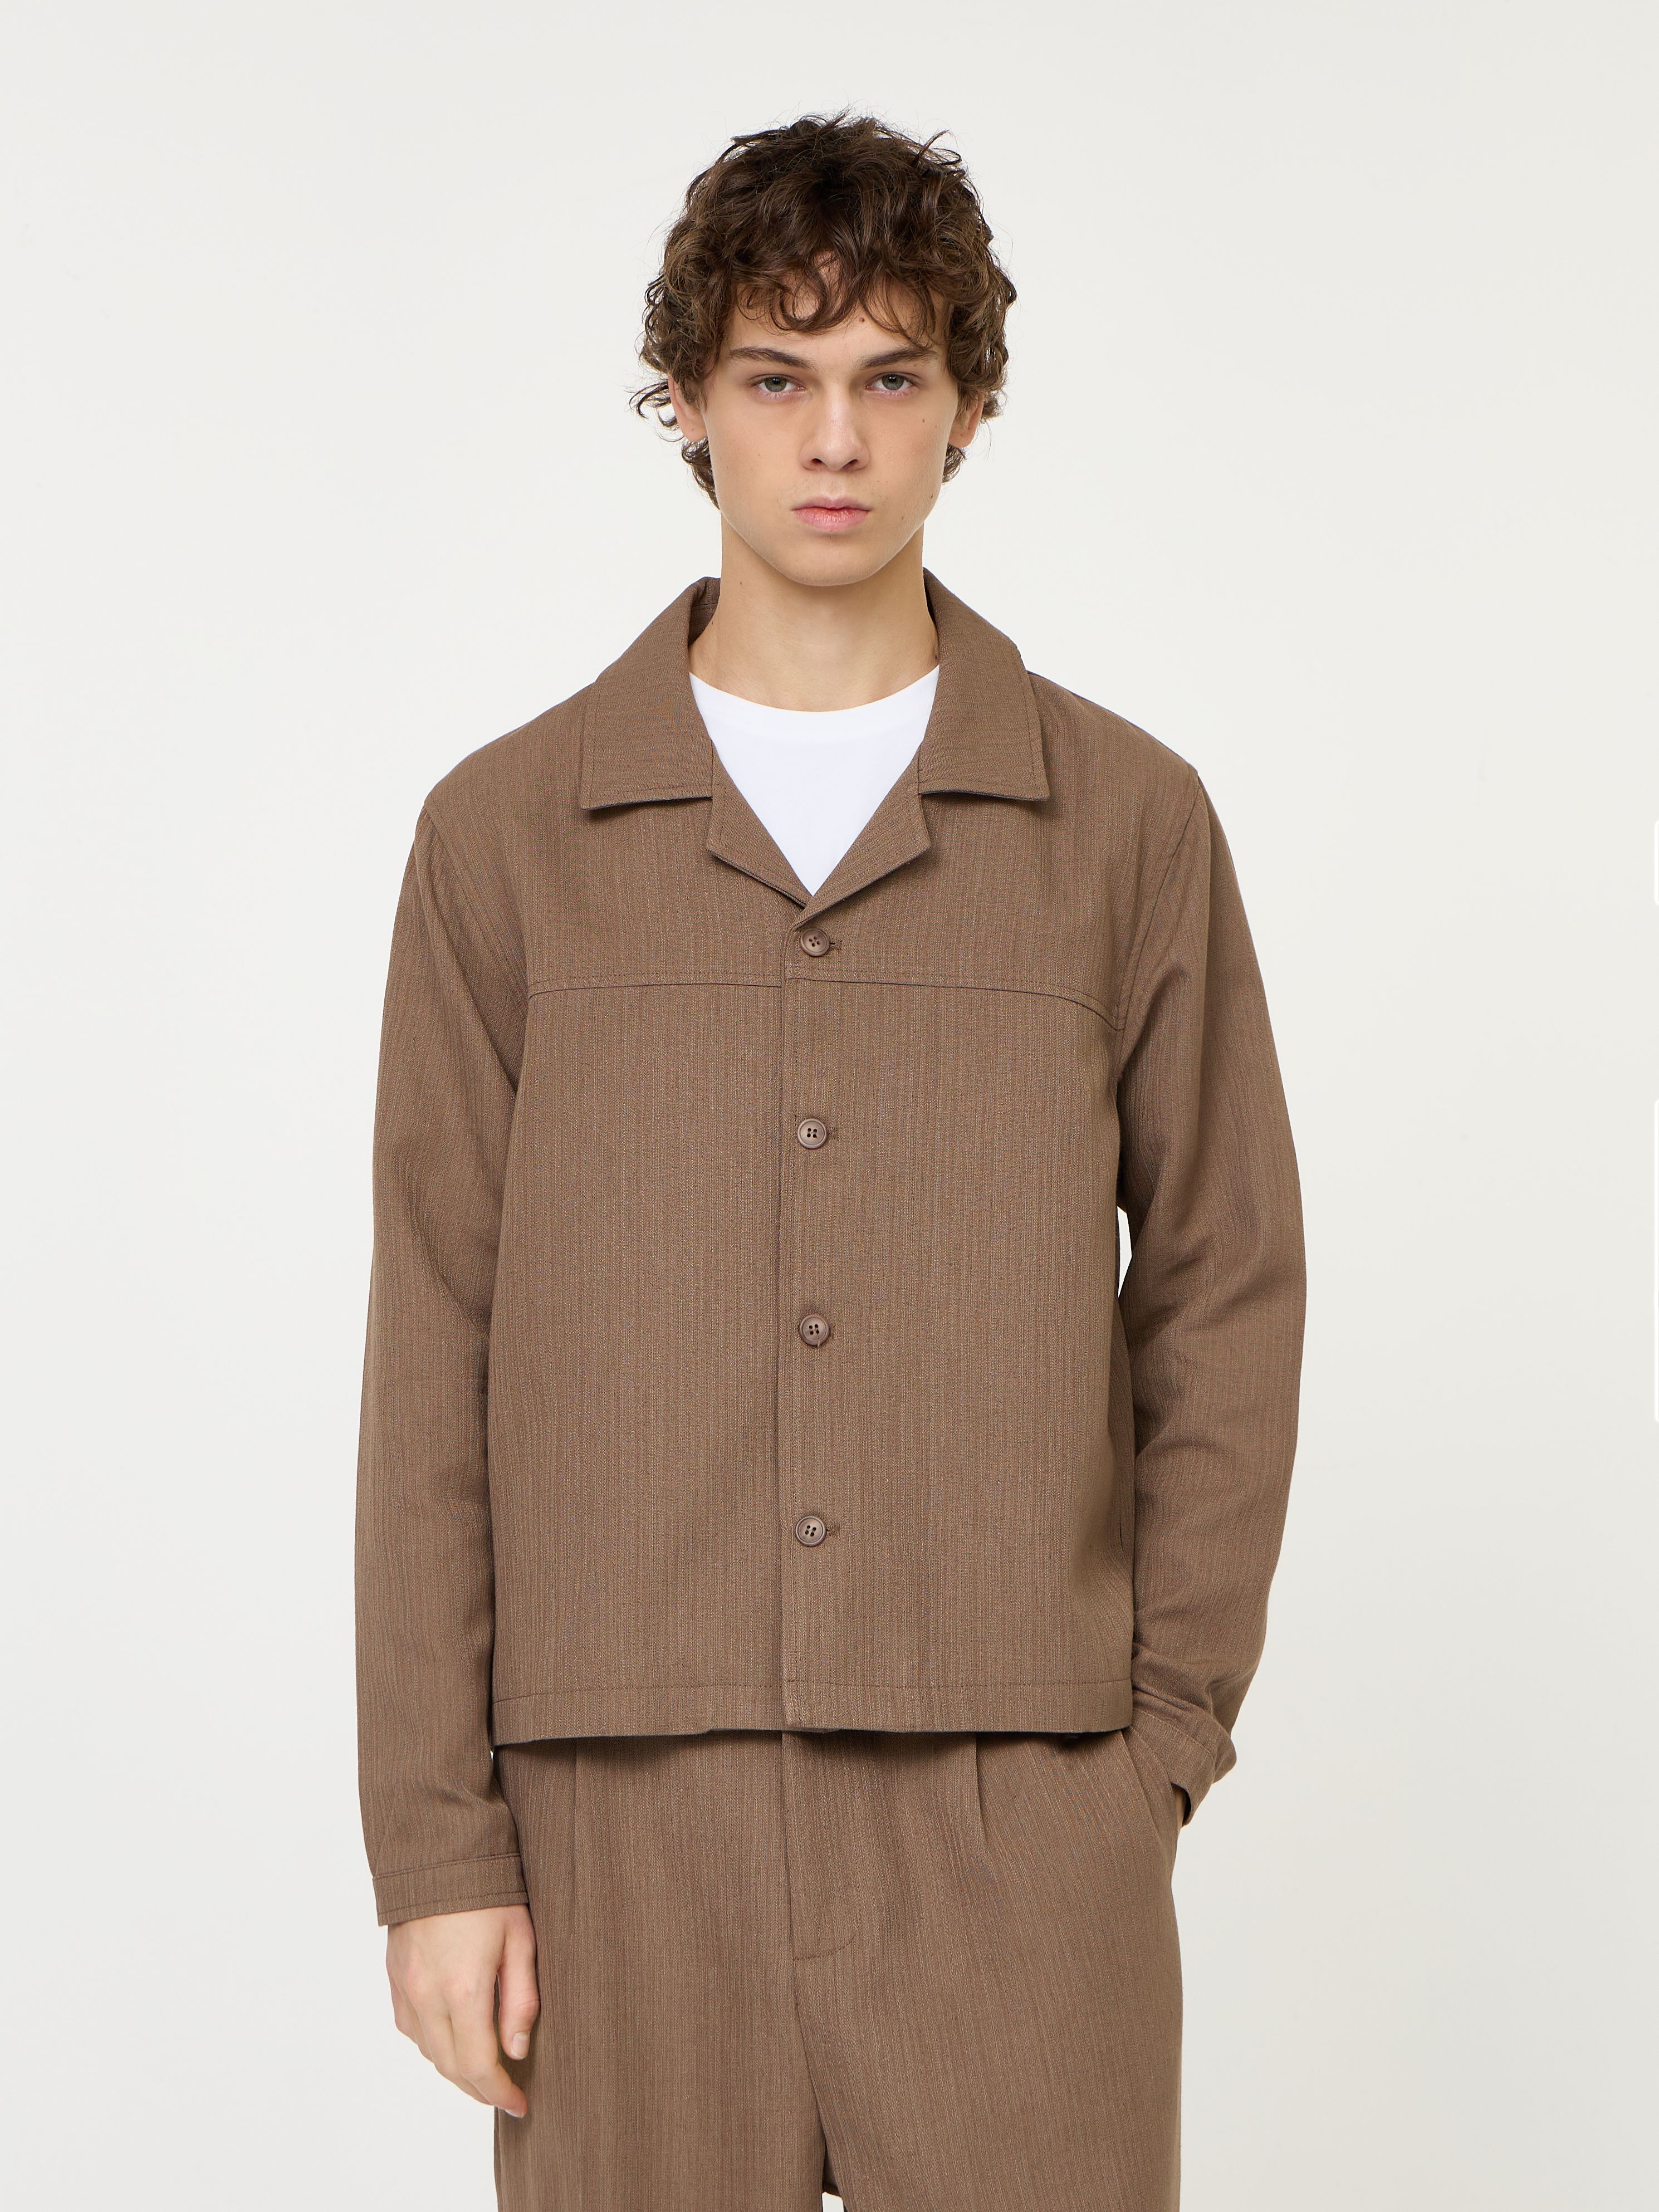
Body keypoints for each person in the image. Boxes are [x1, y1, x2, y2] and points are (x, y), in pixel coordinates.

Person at [355, 109, 1306, 2212]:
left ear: (968, 405)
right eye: (776, 376)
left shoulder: (1126, 826)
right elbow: (435, 1339)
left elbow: (1226, 1284)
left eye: (891, 374)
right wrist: (437, 1848)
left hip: (1015, 1808)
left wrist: (1147, 1747)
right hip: (614, 1828)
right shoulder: (504, 841)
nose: (836, 438)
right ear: (685, 400)